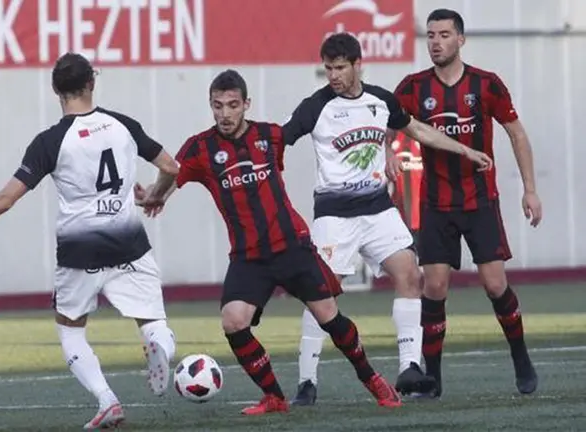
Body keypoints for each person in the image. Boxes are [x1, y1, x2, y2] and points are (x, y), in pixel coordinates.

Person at [0, 53, 178, 429]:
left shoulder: (50, 142)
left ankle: (107, 400)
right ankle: (160, 349)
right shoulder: (123, 125)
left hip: (79, 252)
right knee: (153, 322)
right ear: (92, 83)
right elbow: (170, 167)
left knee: (71, 329)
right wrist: (156, 194)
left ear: (56, 89)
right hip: (129, 244)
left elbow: (5, 200)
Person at [136, 69, 403, 416]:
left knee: (328, 316)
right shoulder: (201, 147)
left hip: (292, 245)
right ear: (211, 106)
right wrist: (156, 196)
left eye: (233, 105)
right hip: (250, 256)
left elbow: (311, 110)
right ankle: (274, 397)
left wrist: (341, 83)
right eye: (218, 106)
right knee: (233, 321)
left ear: (246, 104)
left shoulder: (269, 136)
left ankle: (373, 379)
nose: (225, 113)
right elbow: (174, 171)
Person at [281, 33, 493, 405]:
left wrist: (465, 150)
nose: (333, 75)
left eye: (341, 68)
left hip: (378, 209)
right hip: (335, 216)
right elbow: (278, 140)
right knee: (321, 296)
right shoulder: (315, 107)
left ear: (358, 64)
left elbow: (418, 130)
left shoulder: (380, 100)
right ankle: (306, 382)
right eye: (328, 68)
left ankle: (410, 368)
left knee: (411, 274)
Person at [393, 9, 541, 398]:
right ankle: (434, 379)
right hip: (436, 203)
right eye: (429, 35)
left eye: (443, 34)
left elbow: (517, 135)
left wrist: (529, 189)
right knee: (435, 286)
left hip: (479, 201)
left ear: (461, 39)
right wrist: (385, 151)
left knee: (494, 284)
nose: (435, 42)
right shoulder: (412, 87)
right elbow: (387, 122)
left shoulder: (486, 84)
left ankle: (521, 358)